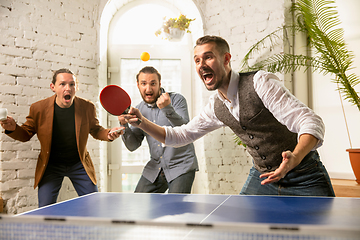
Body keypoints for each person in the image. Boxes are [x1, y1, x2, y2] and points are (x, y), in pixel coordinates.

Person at [122, 35, 335, 197]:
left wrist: (294, 158)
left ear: (226, 59)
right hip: (263, 178)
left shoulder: (260, 83)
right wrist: (141, 122)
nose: (201, 64)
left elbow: (310, 121)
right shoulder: (216, 106)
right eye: (197, 60)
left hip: (305, 175)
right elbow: (180, 136)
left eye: (208, 57)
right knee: (238, 231)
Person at [0, 68, 124, 207]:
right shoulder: (38, 108)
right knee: (45, 208)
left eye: (72, 84)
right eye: (63, 84)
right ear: (53, 87)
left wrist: (108, 134)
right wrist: (13, 128)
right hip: (51, 165)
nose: (68, 88)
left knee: (93, 205)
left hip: (79, 163)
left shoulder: (87, 107)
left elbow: (96, 130)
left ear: (76, 87)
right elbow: (26, 134)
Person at [118, 66, 198, 193]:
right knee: (137, 202)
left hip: (181, 166)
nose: (148, 89)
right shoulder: (139, 110)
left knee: (176, 207)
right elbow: (132, 146)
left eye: (153, 83)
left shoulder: (177, 100)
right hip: (155, 167)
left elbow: (186, 131)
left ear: (160, 84)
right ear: (138, 85)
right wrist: (124, 126)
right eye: (144, 83)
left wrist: (167, 109)